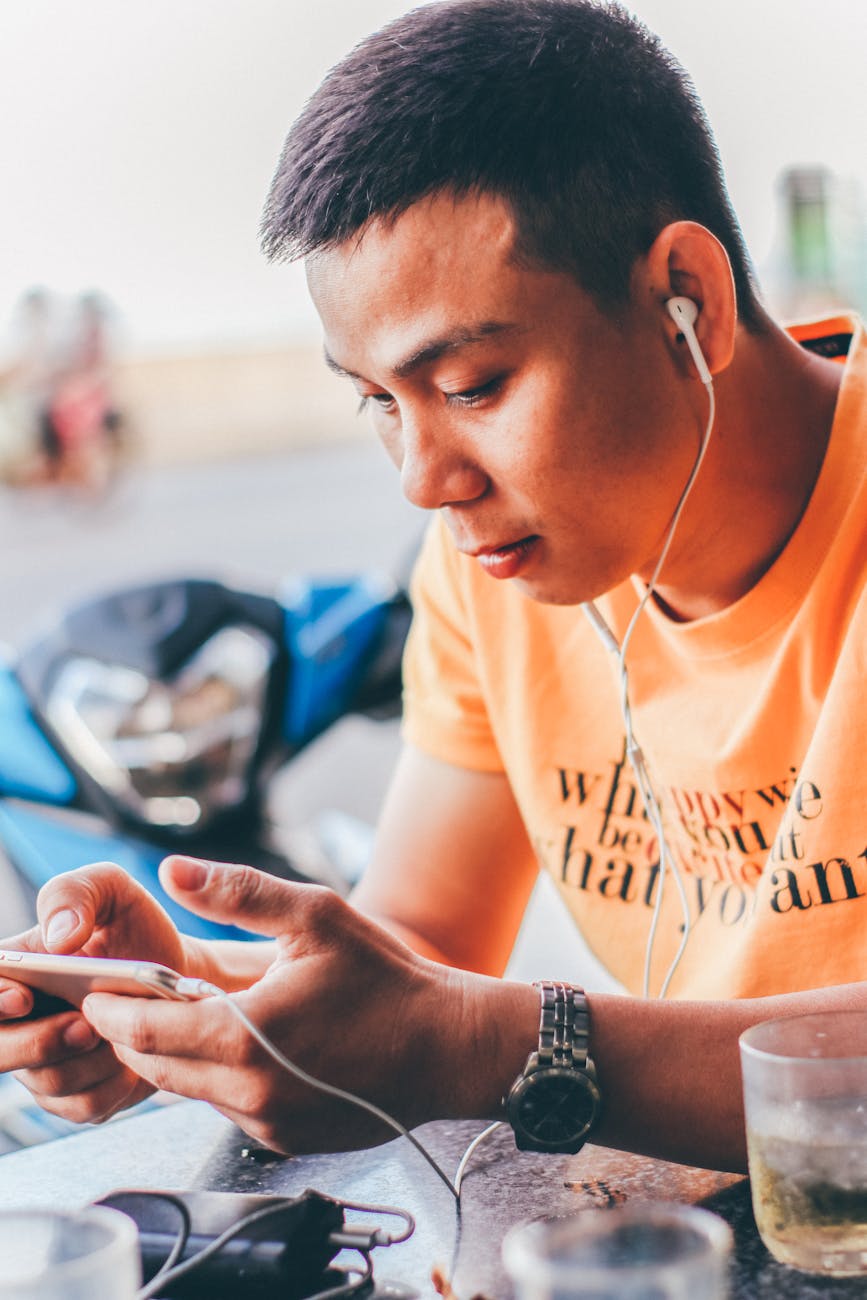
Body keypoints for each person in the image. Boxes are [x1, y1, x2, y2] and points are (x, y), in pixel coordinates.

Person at [0, 0, 864, 1174]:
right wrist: (185, 1001)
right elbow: (419, 956)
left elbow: (458, 1031)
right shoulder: (493, 566)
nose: (424, 481)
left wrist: (500, 1043)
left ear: (689, 300)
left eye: (469, 383)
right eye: (377, 402)